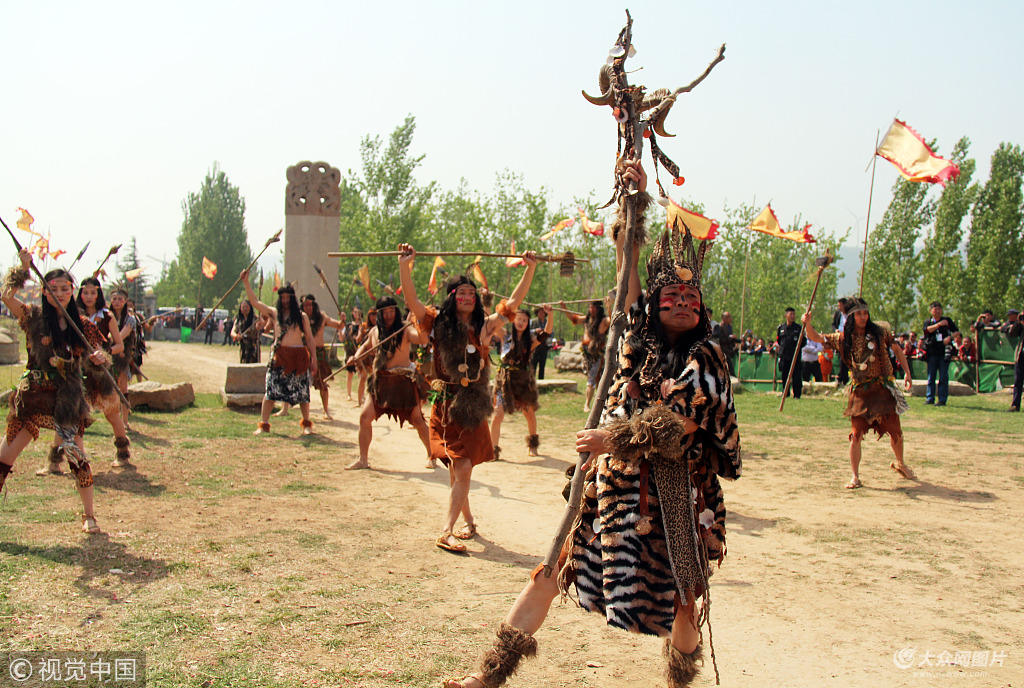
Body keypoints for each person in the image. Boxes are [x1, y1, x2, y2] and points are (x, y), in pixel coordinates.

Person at [441, 159, 741, 688]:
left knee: (685, 603)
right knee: (550, 570)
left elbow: (679, 426)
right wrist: (633, 203)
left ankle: (678, 682)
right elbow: (628, 274)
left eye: (690, 299)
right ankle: (489, 677)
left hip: (677, 497)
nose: (680, 304)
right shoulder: (638, 340)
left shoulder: (708, 357)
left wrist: (612, 437)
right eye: (670, 297)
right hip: (612, 487)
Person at [398, 243, 539, 554]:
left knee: (461, 468)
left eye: (471, 293)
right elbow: (411, 300)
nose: (467, 297)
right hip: (444, 404)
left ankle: (446, 530)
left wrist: (530, 268)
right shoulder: (435, 324)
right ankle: (470, 521)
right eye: (461, 293)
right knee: (456, 468)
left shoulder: (485, 328)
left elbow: (513, 303)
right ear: (451, 298)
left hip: (472, 405)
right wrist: (404, 266)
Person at [0, 250, 110, 533]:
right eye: (54, 289)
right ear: (45, 293)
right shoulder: (33, 317)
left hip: (66, 401)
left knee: (77, 458)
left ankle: (89, 516)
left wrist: (98, 360)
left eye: (64, 288)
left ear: (72, 291)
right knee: (3, 458)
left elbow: (99, 358)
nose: (59, 293)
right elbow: (6, 297)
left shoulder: (83, 326)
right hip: (32, 398)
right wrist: (23, 269)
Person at [802, 297, 916, 489]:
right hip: (861, 392)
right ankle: (855, 476)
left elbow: (896, 349)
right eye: (859, 314)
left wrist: (907, 373)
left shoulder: (880, 333)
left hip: (882, 390)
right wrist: (808, 324)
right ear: (852, 317)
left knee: (895, 432)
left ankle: (901, 463)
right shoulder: (844, 338)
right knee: (855, 435)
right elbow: (817, 338)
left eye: (865, 313)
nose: (863, 317)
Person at [39, 277, 133, 472]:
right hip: (75, 374)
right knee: (66, 412)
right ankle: (55, 461)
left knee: (112, 413)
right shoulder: (71, 315)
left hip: (98, 373)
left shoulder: (107, 316)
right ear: (79, 294)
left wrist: (101, 353)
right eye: (85, 292)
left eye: (93, 292)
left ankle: (122, 454)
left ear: (99, 294)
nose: (89, 296)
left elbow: (119, 345)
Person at [345, 295, 432, 470]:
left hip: (403, 382)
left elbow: (423, 339)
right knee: (364, 417)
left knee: (417, 420)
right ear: (379, 314)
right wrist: (356, 356)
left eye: (392, 311)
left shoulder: (405, 330)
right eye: (385, 312)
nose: (389, 315)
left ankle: (432, 455)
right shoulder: (376, 331)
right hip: (381, 382)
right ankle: (363, 459)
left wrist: (421, 319)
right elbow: (367, 345)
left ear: (396, 312)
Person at [242, 274, 318, 436]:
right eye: (282, 298)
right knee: (270, 392)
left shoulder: (301, 316)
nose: (284, 301)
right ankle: (263, 424)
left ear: (292, 299)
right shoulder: (275, 314)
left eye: (287, 298)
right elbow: (255, 302)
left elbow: (310, 339)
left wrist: (314, 360)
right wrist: (246, 281)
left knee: (303, 394)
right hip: (279, 358)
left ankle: (306, 425)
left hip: (298, 358)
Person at [490, 305, 554, 460]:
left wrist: (550, 314)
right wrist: (503, 309)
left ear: (528, 323)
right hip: (504, 381)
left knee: (529, 413)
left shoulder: (531, 340)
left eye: (524, 320)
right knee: (497, 414)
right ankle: (493, 450)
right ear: (513, 320)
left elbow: (546, 333)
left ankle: (533, 445)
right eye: (518, 319)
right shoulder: (505, 336)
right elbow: (492, 323)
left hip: (523, 382)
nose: (521, 322)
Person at [301, 294, 343, 420]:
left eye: (310, 304)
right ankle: (286, 409)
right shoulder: (299, 318)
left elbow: (338, 326)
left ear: (314, 305)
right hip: (303, 353)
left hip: (319, 354)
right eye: (305, 305)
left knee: (323, 383)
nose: (308, 307)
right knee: (300, 382)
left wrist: (342, 320)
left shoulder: (322, 317)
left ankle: (325, 410)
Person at [565, 300, 610, 412]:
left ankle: (587, 404)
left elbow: (612, 320)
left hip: (598, 353)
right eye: (590, 308)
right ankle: (600, 402)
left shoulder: (603, 320)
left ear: (599, 309)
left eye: (594, 308)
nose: (592, 310)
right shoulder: (587, 319)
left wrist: (609, 306)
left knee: (593, 378)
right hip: (586, 353)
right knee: (595, 377)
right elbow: (573, 318)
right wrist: (563, 306)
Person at [108, 289, 137, 430]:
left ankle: (124, 420)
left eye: (120, 299)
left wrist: (107, 340)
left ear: (125, 301)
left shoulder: (130, 319)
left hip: (122, 357)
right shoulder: (106, 316)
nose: (117, 302)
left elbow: (120, 336)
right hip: (107, 355)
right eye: (114, 299)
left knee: (123, 388)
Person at [922, 301, 959, 406]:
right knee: (931, 377)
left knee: (943, 377)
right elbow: (927, 330)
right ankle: (930, 398)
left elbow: (957, 332)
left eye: (939, 309)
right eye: (935, 309)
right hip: (932, 353)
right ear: (931, 311)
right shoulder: (928, 322)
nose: (937, 311)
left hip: (944, 353)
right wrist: (938, 325)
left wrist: (950, 338)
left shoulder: (947, 321)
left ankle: (942, 399)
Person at [776, 307, 804, 398]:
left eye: (793, 314)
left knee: (796, 376)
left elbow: (803, 342)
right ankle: (785, 392)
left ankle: (797, 394)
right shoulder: (781, 328)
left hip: (795, 356)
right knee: (785, 375)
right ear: (786, 315)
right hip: (784, 356)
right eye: (790, 314)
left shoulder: (798, 328)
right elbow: (779, 341)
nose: (792, 316)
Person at [231, 299, 261, 363]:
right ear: (240, 309)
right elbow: (232, 332)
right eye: (243, 307)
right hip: (243, 347)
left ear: (250, 307)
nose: (245, 309)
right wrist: (237, 336)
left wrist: (258, 326)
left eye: (246, 307)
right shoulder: (238, 320)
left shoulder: (255, 318)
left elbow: (261, 326)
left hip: (254, 347)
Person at [714, 310, 740, 377]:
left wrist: (735, 340)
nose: (730, 319)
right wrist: (730, 338)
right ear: (723, 318)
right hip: (723, 351)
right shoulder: (720, 327)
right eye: (728, 317)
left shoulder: (729, 327)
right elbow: (720, 340)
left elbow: (729, 339)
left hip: (729, 351)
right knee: (730, 370)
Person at [529, 307, 551, 380]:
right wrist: (535, 331)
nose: (540, 314)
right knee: (533, 364)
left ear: (545, 314)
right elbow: (528, 331)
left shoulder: (548, 322)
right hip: (535, 346)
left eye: (542, 312)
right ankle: (532, 380)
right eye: (539, 312)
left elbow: (551, 333)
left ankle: (541, 381)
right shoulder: (533, 321)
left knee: (542, 364)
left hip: (544, 346)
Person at [833, 298, 850, 385]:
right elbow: (834, 324)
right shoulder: (838, 314)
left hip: (847, 338)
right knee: (840, 357)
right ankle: (842, 378)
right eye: (838, 305)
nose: (839, 307)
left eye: (841, 305)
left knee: (845, 358)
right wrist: (836, 330)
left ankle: (843, 378)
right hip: (839, 337)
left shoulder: (850, 315)